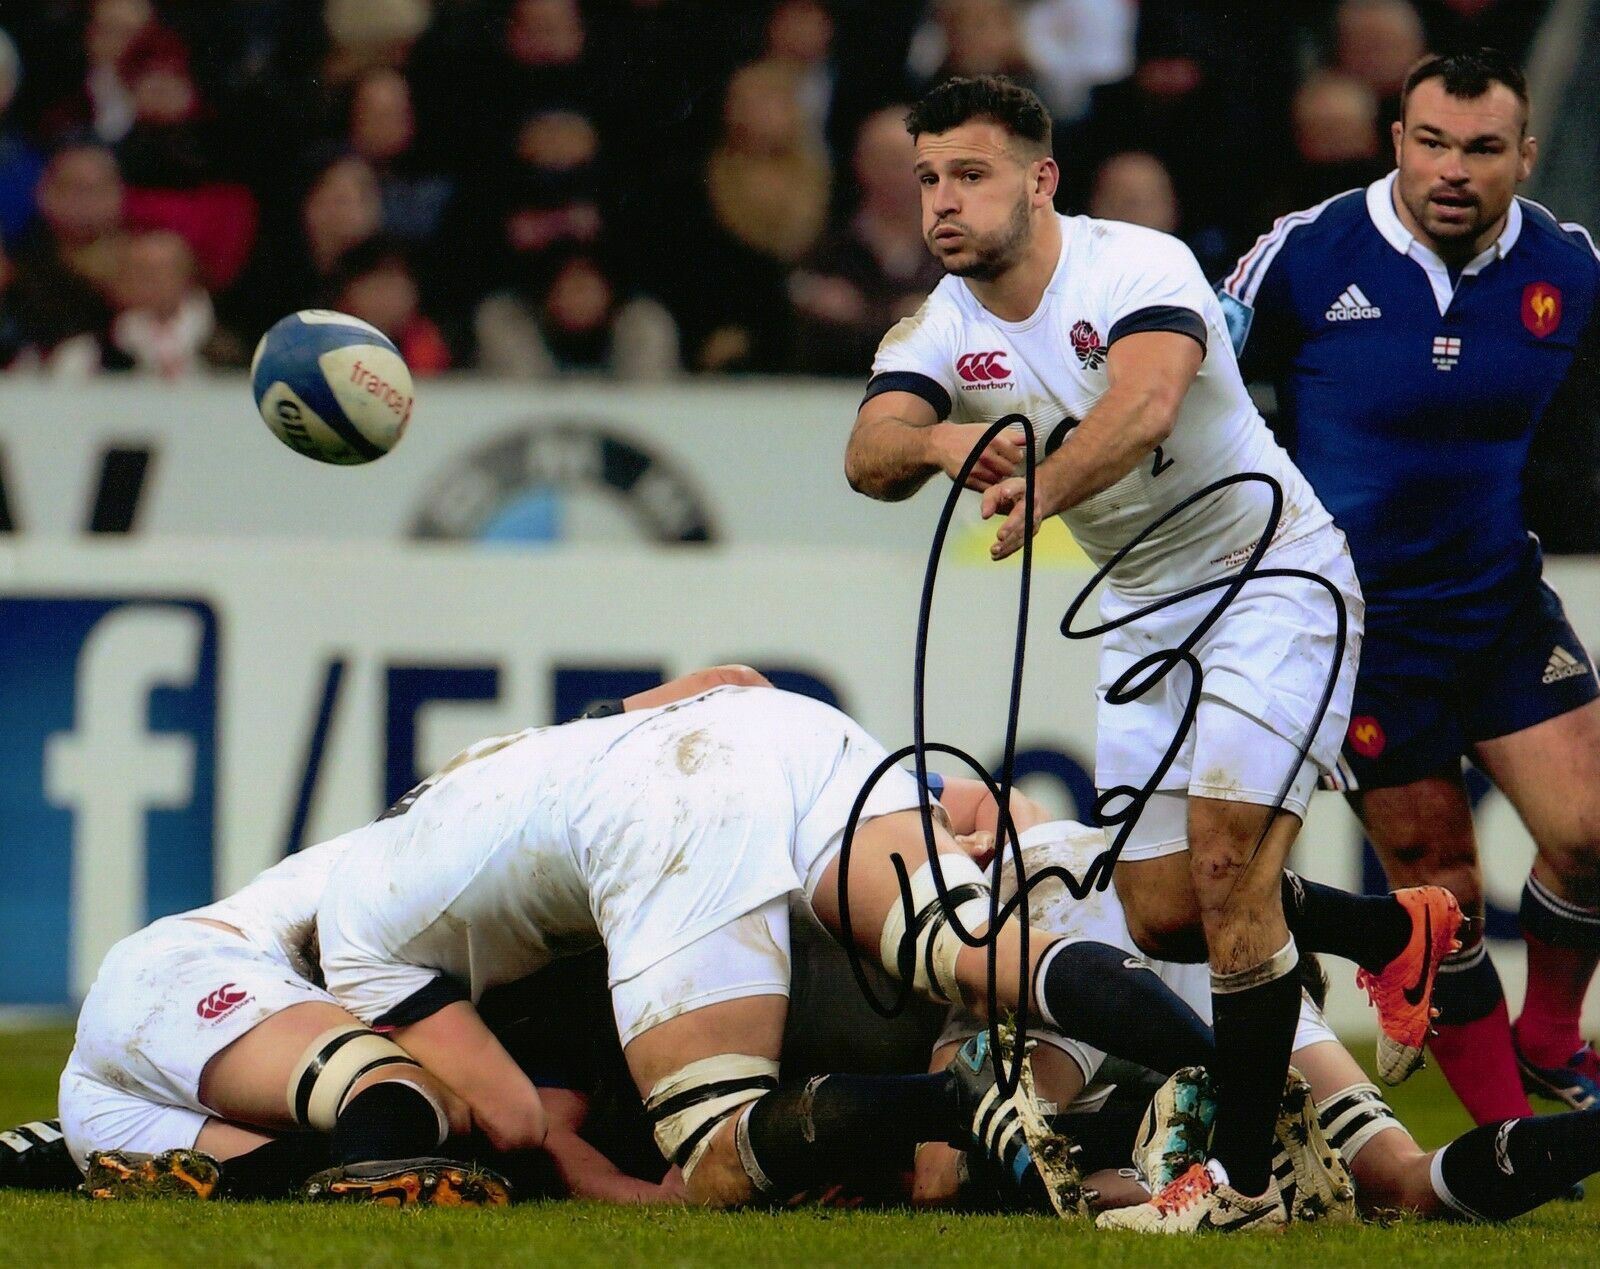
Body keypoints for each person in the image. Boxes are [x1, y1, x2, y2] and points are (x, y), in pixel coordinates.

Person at [842, 73, 1458, 1233]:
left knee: (1228, 869)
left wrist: (1038, 485)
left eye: (969, 175)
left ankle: (1238, 1184)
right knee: (1164, 911)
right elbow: (865, 451)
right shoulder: (941, 324)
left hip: (1271, 576)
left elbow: (1146, 406)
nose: (942, 204)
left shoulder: (1136, 265)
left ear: (1039, 180)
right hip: (1142, 607)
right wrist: (931, 439)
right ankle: (1391, 929)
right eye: (927, 178)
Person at [313, 681, 1228, 1212]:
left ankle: (959, 1098)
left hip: (659, 812)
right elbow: (739, 680)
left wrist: (651, 1198)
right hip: (788, 728)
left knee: (718, 1155)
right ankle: (1251, 1094)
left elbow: (514, 1116)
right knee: (977, 950)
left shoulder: (354, 939)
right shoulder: (488, 760)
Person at [1219, 49, 1600, 1127]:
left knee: (1591, 836)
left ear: (1523, 156)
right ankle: (1507, 1140)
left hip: (1497, 600)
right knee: (1441, 888)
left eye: (1482, 149)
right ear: (1395, 142)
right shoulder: (1307, 252)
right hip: (1361, 627)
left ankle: (1552, 1036)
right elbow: (1190, 360)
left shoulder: (1568, 268)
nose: (1452, 169)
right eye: (1430, 142)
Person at [919, 821, 1600, 1227]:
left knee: (972, 1163)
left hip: (1069, 910)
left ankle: (1211, 1163)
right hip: (1207, 924)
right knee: (1397, 1181)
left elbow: (935, 1175)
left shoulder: (921, 910)